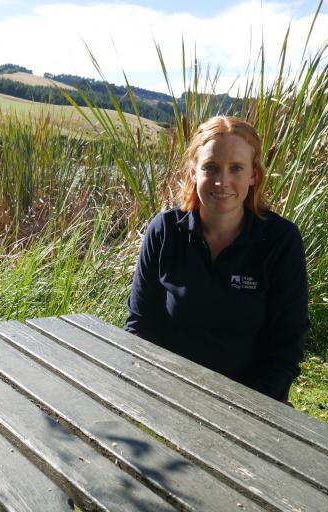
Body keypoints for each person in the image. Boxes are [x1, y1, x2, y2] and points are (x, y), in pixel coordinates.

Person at [124, 116, 309, 402]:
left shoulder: (281, 240)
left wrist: (245, 409)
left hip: (253, 403)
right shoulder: (165, 231)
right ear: (193, 173)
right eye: (211, 167)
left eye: (236, 168)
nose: (222, 181)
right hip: (169, 394)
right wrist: (153, 394)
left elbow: (286, 346)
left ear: (254, 176)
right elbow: (139, 325)